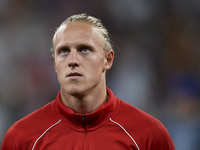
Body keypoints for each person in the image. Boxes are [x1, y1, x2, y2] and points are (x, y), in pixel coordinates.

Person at [1, 13, 175, 150]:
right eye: (63, 51)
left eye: (84, 49)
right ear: (54, 63)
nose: (72, 60)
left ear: (108, 59)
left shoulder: (149, 135)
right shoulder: (22, 138)